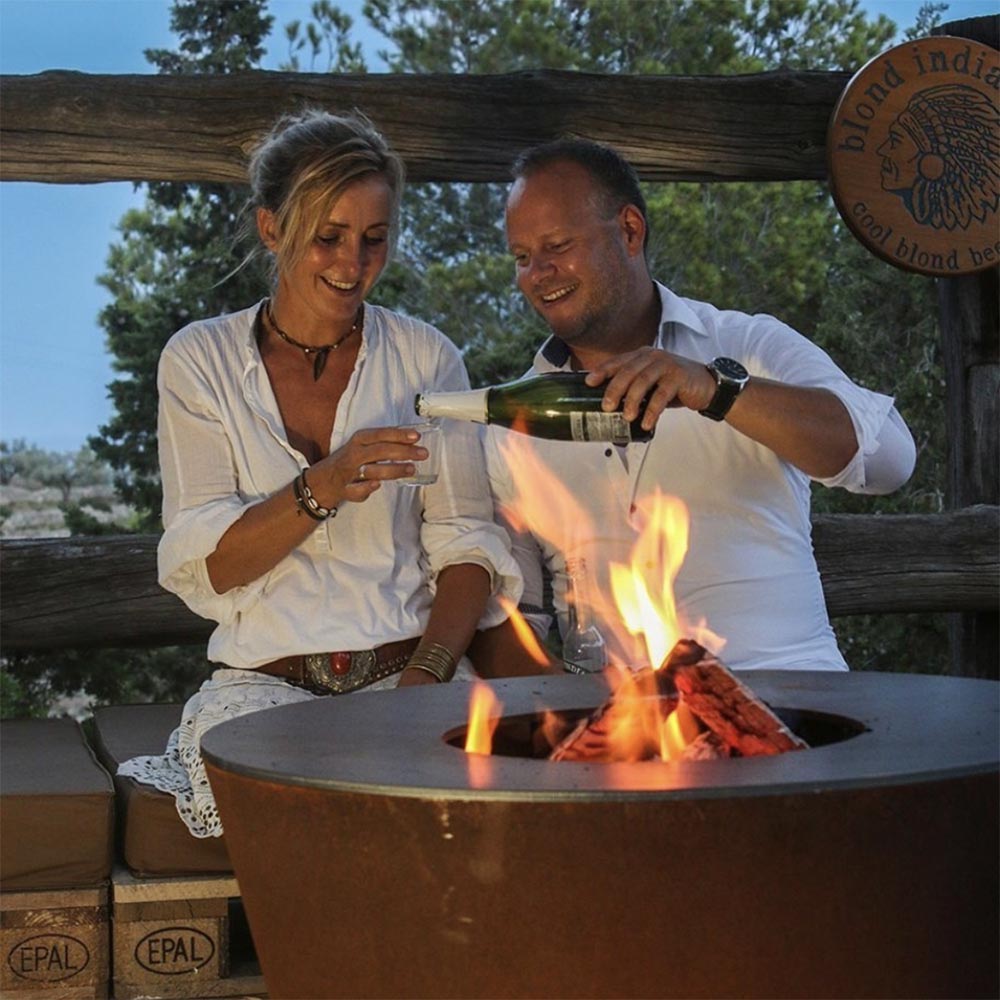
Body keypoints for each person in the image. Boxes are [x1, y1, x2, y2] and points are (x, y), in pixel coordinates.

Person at [119, 108, 522, 838]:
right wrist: (323, 486)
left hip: (411, 675)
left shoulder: (428, 358)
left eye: (374, 240)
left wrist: (423, 682)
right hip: (264, 692)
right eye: (327, 237)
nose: (352, 265)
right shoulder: (199, 363)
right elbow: (214, 565)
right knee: (308, 825)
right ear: (271, 228)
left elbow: (467, 546)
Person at [472, 138, 916, 675]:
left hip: (793, 703)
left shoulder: (748, 344)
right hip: (626, 739)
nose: (537, 274)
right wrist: (580, 722)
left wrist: (717, 390)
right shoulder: (512, 424)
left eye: (558, 245)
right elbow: (510, 619)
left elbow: (890, 462)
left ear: (630, 231)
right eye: (522, 258)